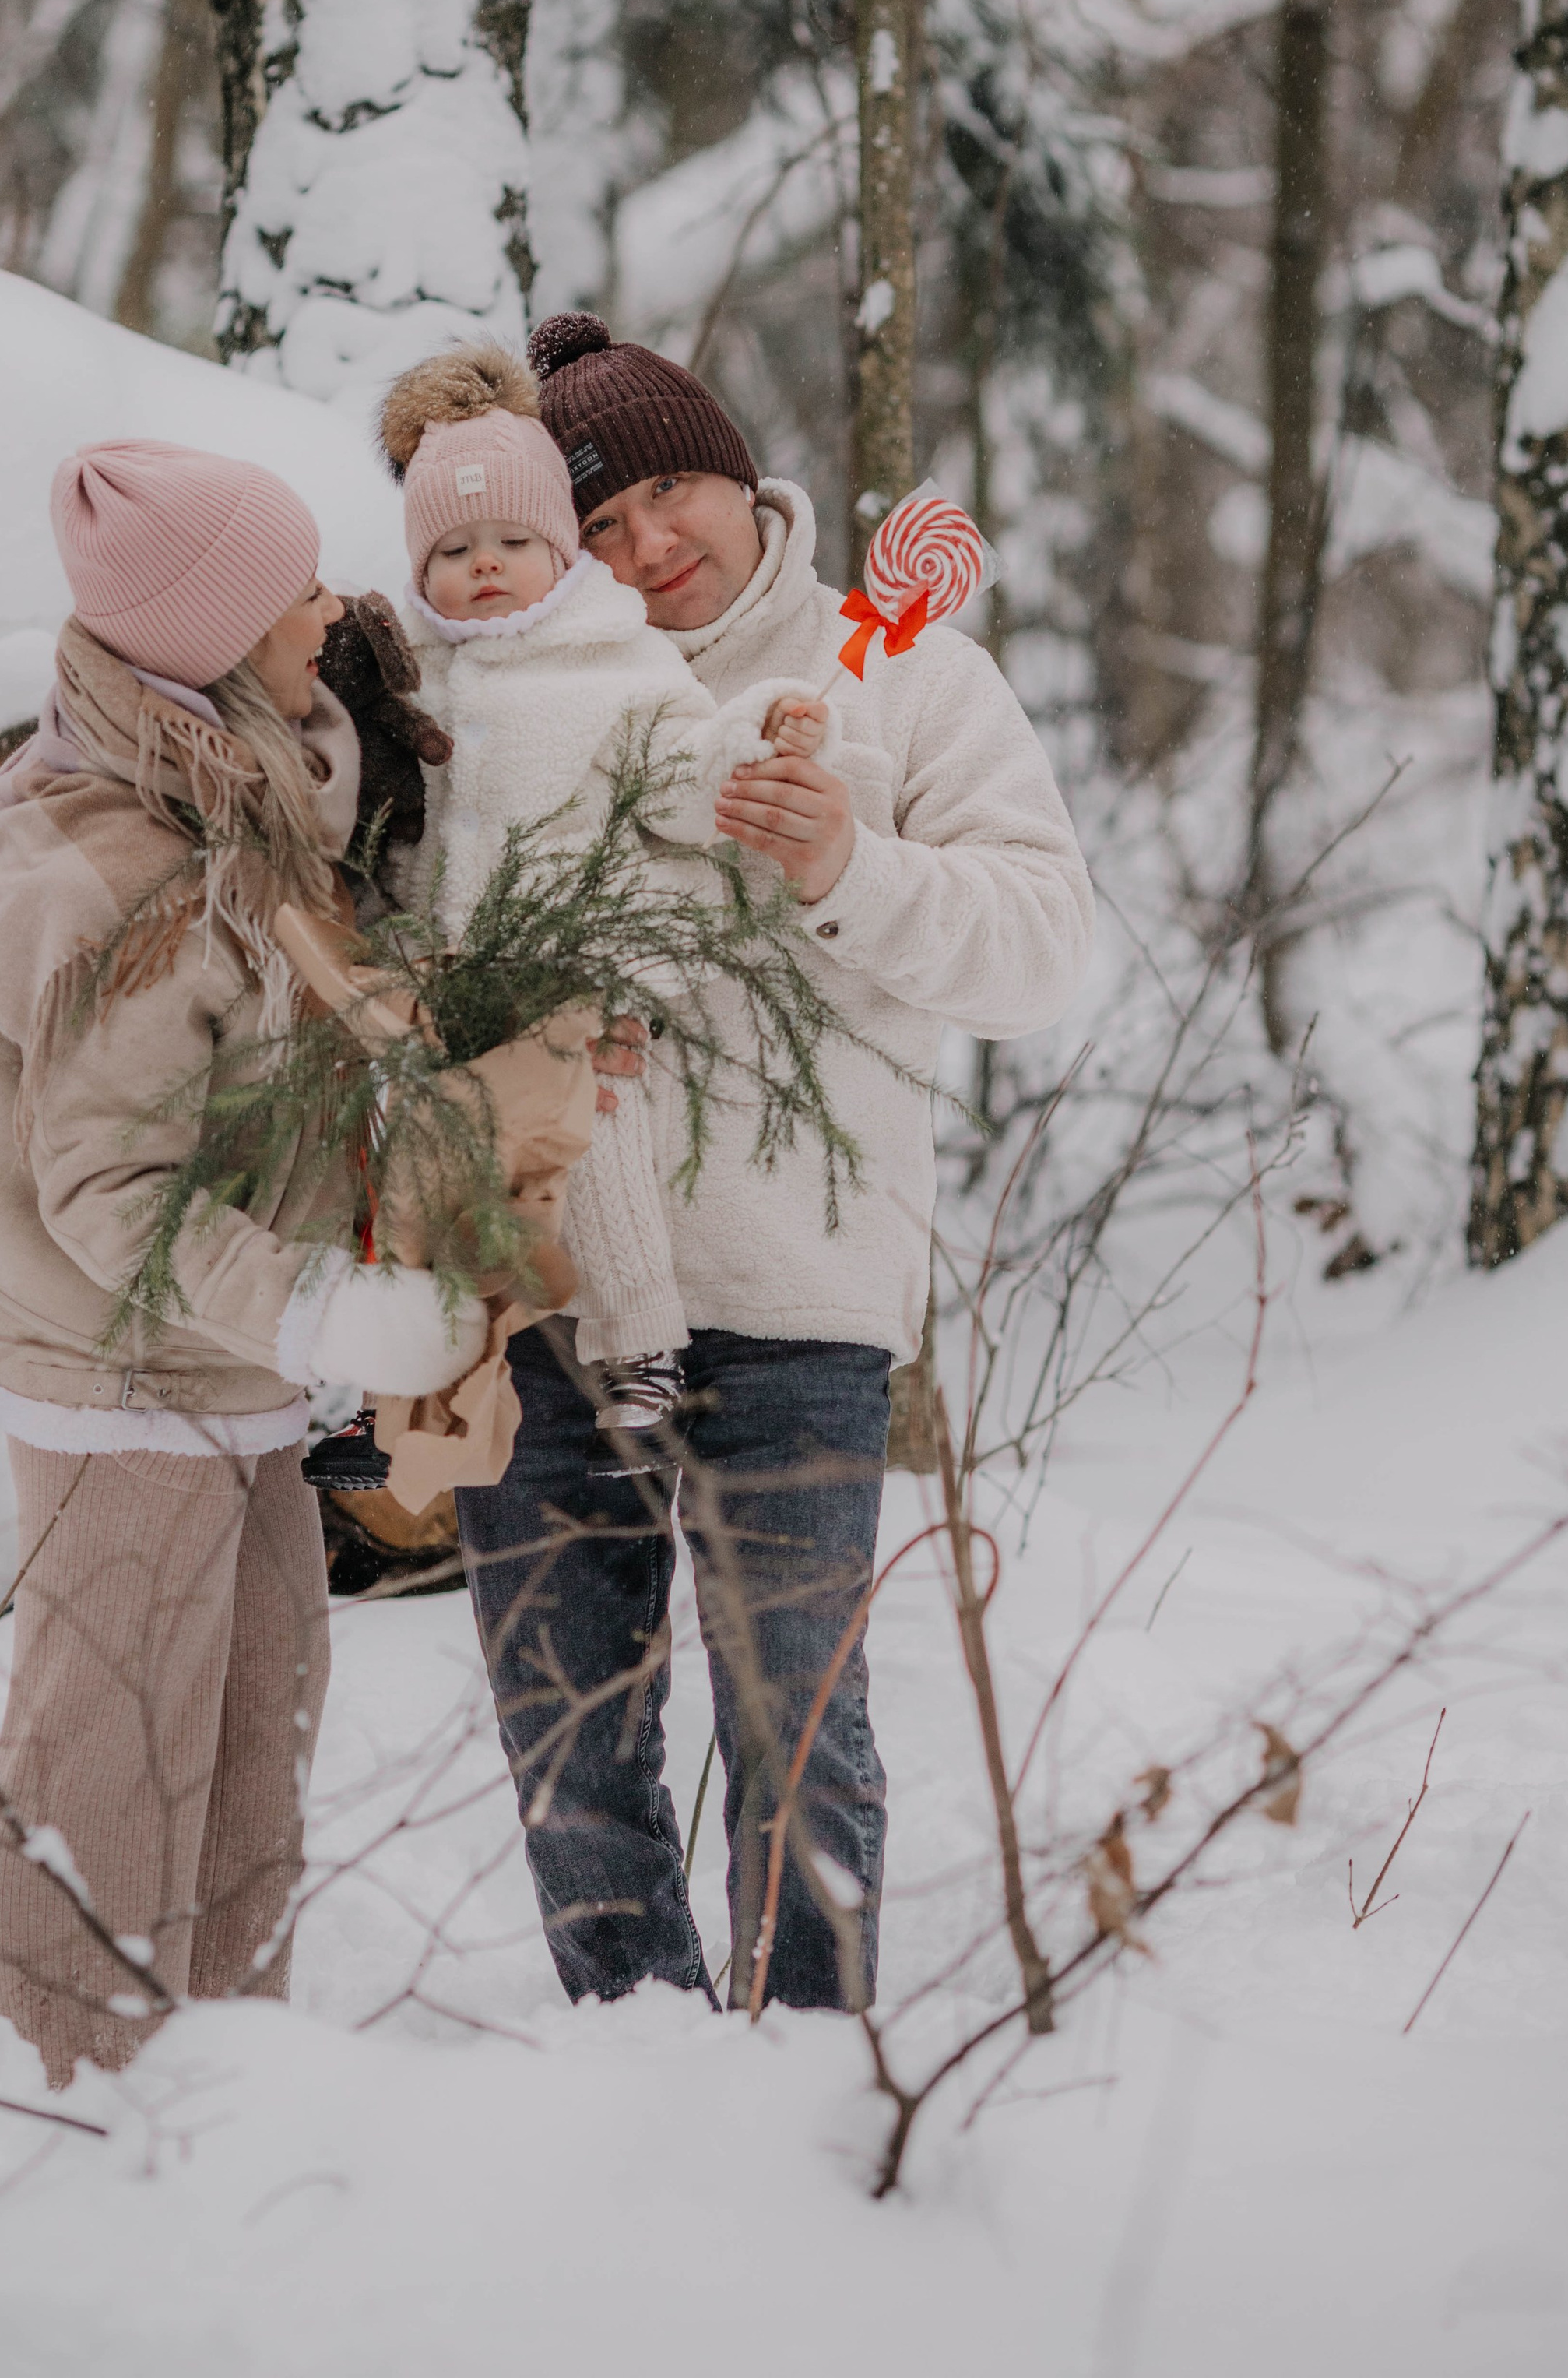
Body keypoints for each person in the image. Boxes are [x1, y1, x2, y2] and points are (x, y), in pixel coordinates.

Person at [456, 317, 1095, 2013]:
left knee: (796, 1717)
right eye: (598, 525)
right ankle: (631, 2046)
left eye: (673, 489)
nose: (648, 544)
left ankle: (809, 2059)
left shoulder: (896, 672)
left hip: (796, 1301)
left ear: (742, 476)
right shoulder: (508, 680)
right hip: (555, 1290)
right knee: (567, 1728)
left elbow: (1046, 950)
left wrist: (847, 864)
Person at [0, 438, 490, 2084]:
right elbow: (112, 1190)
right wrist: (319, 1300)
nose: (329, 609)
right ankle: (68, 2081)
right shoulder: (110, 866)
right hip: (122, 1366)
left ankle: (233, 2082)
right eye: (291, 589)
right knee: (106, 1750)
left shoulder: (259, 788)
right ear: (203, 632)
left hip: (225, 1363)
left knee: (259, 1720)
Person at [372, 339, 830, 1455]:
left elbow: (680, 773)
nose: (487, 568)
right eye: (456, 550)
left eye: (517, 543)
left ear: (562, 560)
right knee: (421, 1176)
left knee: (602, 1146)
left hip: (579, 982)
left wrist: (751, 736)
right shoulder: (409, 674)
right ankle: (400, 1383)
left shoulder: (617, 664)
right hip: (450, 994)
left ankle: (641, 1339)